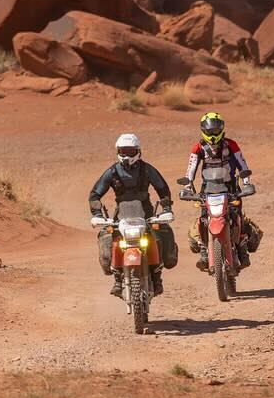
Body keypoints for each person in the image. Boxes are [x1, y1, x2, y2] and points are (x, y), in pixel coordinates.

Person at [88, 133, 177, 297]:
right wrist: (97, 213)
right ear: (118, 151)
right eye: (123, 151)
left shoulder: (147, 169)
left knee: (156, 238)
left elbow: (163, 189)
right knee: (114, 240)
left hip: (146, 213)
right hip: (122, 214)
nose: (127, 155)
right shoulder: (112, 172)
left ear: (138, 151)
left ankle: (157, 278)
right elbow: (95, 194)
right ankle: (117, 279)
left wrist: (166, 209)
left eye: (130, 151)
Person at [181, 111, 262, 270]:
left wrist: (246, 183)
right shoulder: (198, 147)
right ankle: (204, 250)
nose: (212, 135)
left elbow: (242, 165)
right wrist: (187, 186)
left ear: (222, 130)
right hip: (208, 189)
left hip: (230, 188)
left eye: (216, 131)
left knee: (237, 215)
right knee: (204, 219)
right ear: (203, 131)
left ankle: (242, 247)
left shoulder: (231, 145)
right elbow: (191, 169)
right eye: (209, 132)